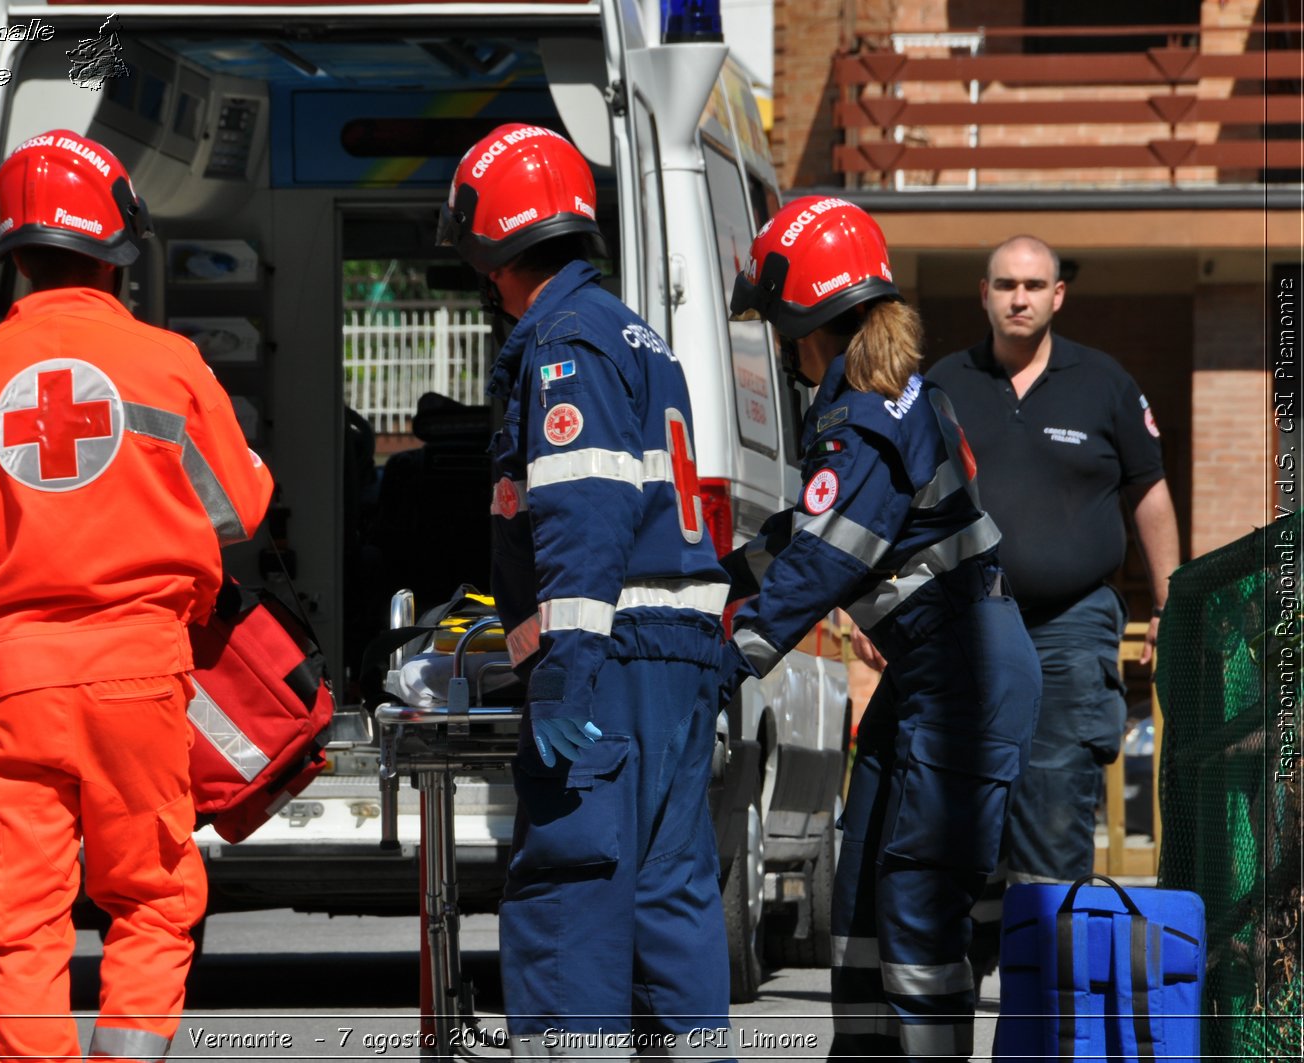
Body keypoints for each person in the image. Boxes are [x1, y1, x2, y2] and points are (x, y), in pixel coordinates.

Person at [0, 130, 273, 1063]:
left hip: (13, 689)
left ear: (10, 252)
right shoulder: (169, 365)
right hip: (138, 678)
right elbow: (242, 510)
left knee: (19, 919)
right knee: (150, 895)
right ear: (120, 242)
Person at [436, 123, 736, 1057]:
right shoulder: (635, 334)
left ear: (495, 246)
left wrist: (565, 663)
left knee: (574, 901)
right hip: (676, 660)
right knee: (670, 900)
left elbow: (582, 512)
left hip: (613, 661)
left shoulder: (564, 342)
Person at [721, 196, 1040, 1060]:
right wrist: (716, 577)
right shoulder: (888, 401)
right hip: (932, 669)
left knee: (916, 893)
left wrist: (725, 659)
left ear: (809, 314)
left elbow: (826, 563)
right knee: (861, 870)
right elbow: (810, 533)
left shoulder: (862, 419)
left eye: (782, 326)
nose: (784, 348)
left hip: (962, 674)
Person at [927, 235, 1180, 954]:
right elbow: (905, 504)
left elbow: (1149, 495)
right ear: (984, 293)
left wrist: (1169, 603)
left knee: (1055, 776)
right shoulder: (945, 384)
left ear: (1057, 295)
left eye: (1034, 285)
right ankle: (965, 962)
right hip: (967, 620)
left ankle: (1049, 968)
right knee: (962, 785)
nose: (1019, 297)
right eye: (1005, 284)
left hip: (1072, 620)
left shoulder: (1104, 384)